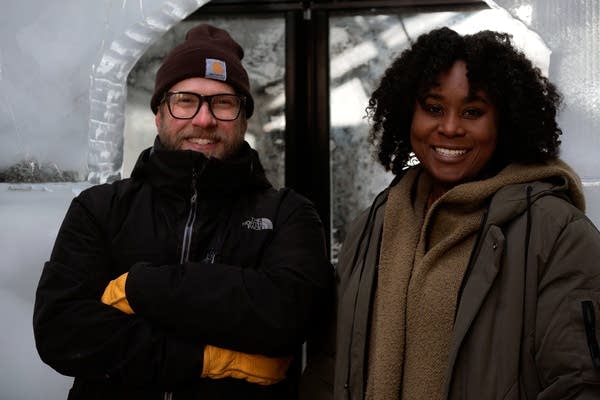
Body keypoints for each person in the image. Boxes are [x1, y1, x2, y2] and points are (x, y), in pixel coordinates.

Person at [33, 24, 333, 399]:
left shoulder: (288, 214)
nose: (204, 120)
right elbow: (62, 331)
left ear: (242, 119)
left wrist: (139, 287)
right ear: (159, 114)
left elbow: (287, 316)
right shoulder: (100, 209)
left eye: (223, 102)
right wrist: (206, 359)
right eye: (186, 100)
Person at [328, 27, 600, 399]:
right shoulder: (373, 225)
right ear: (408, 112)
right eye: (433, 108)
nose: (450, 127)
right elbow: (333, 364)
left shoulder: (557, 233)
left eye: (473, 111)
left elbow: (580, 384)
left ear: (503, 122)